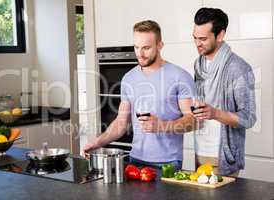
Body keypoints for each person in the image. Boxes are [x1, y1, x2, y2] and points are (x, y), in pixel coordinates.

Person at [83, 20, 196, 170]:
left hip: (168, 164)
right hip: (135, 160)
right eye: (136, 47)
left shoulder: (180, 76)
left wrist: (162, 126)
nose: (140, 54)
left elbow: (193, 120)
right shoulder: (129, 78)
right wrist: (96, 143)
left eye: (146, 48)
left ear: (160, 46)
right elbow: (121, 123)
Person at [192, 8, 256, 176]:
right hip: (200, 152)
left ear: (220, 35)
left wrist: (214, 113)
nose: (197, 43)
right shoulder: (198, 66)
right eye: (195, 38)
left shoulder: (239, 68)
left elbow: (248, 118)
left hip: (225, 157)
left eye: (203, 39)